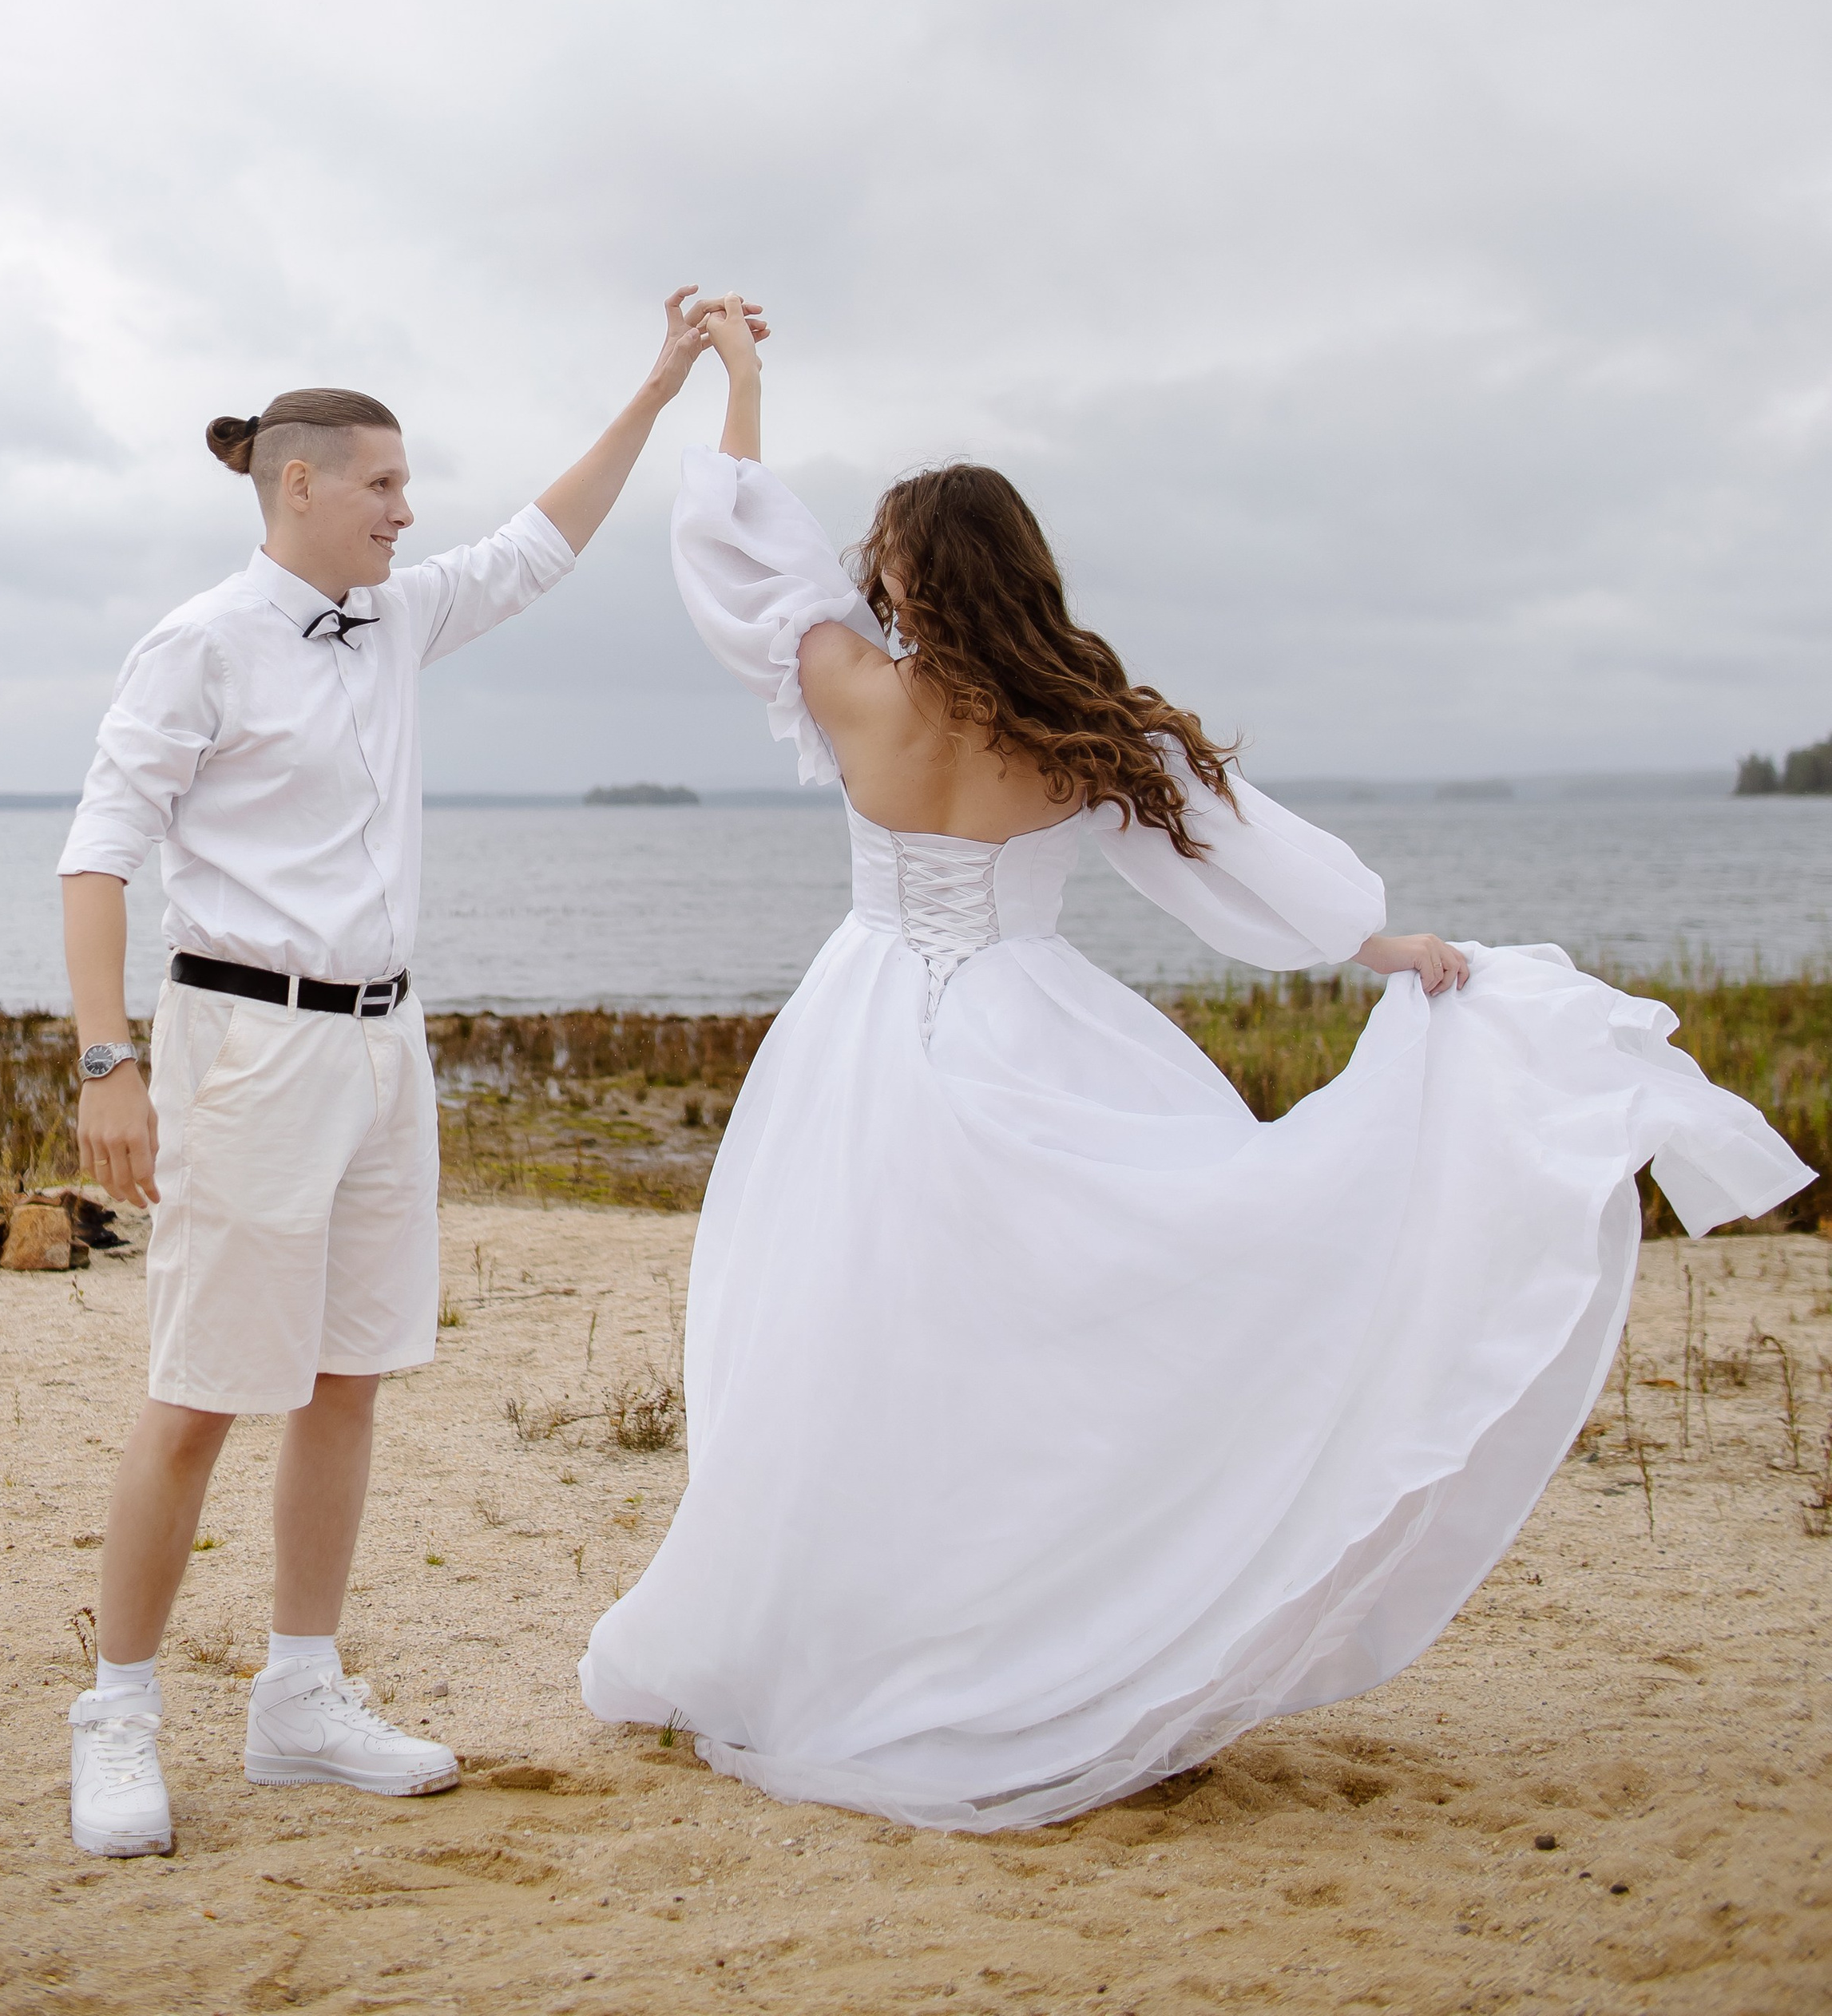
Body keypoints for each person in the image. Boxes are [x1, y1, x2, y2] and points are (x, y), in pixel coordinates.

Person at [579, 299, 1813, 1833]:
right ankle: (1056, 1641)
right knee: (1065, 1352)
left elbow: (741, 547)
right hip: (1033, 1033)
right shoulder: (1085, 728)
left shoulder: (845, 684)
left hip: (865, 1031)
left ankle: (868, 1637)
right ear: (1026, 576)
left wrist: (740, 384)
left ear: (900, 575)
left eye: (886, 560)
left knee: (855, 1344)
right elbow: (1251, 876)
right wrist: (1385, 947)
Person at [59, 289, 760, 1860]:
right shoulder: (197, 645)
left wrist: (657, 387)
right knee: (195, 1394)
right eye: (381, 484)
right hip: (240, 1043)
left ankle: (299, 1701)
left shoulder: (394, 617)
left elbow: (537, 543)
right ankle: (116, 1711)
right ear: (297, 486)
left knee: (344, 1374)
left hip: (384, 1041)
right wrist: (109, 1060)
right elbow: (97, 859)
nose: (406, 508)